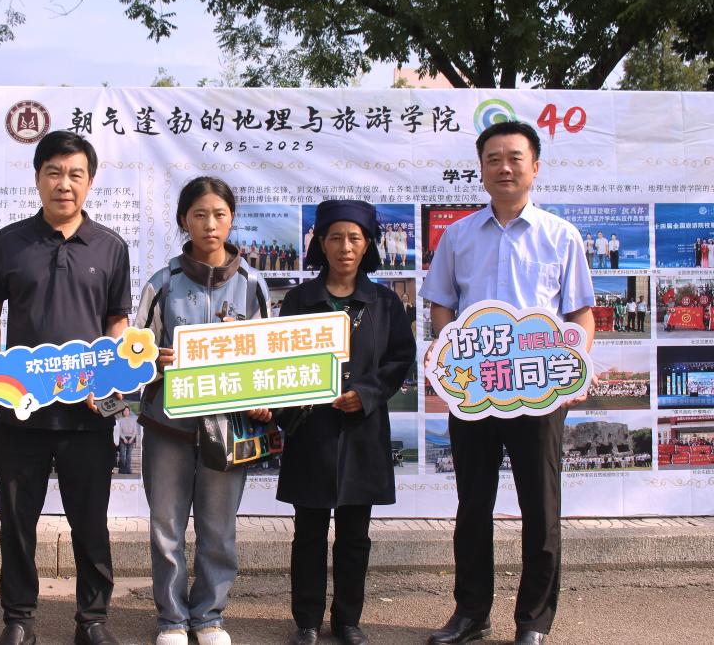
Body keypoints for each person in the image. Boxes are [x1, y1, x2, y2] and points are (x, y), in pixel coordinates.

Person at [420, 121, 595, 645]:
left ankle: (533, 622)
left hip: (539, 390)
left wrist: (574, 365)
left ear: (534, 167)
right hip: (475, 391)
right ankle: (471, 614)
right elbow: (441, 306)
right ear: (481, 169)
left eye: (515, 158)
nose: (504, 167)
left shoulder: (561, 236)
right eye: (493, 158)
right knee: (473, 506)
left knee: (540, 507)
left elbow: (581, 315)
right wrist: (453, 356)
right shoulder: (458, 236)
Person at [0, 130, 130, 645]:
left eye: (75, 174)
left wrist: (107, 376)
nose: (65, 184)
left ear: (90, 181)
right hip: (21, 411)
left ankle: (93, 621)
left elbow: (117, 320)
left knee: (91, 523)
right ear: (38, 178)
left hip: (87, 414)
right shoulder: (9, 242)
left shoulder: (110, 247)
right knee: (17, 523)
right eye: (54, 173)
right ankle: (18, 619)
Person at [135, 176, 273, 645]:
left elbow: (268, 358)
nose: (210, 224)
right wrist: (154, 361)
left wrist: (262, 399)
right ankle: (172, 620)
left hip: (230, 429)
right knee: (166, 527)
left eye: (219, 214)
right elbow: (132, 356)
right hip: (168, 427)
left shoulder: (252, 284)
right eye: (199, 215)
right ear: (183, 221)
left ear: (231, 219)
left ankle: (210, 617)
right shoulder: (162, 284)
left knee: (219, 528)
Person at [275, 200, 416, 645]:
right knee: (309, 533)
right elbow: (279, 358)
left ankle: (348, 620)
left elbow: (400, 358)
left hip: (362, 433)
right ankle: (307, 621)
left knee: (355, 535)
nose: (345, 247)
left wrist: (368, 393)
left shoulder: (384, 302)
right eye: (335, 237)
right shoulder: (300, 300)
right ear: (320, 242)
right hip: (311, 431)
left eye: (355, 238)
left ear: (368, 244)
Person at [115, 409, 137, 475]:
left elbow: (135, 430)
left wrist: (132, 438)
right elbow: (119, 430)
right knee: (122, 455)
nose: (126, 412)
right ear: (122, 412)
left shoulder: (133, 420)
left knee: (129, 455)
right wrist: (124, 438)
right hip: (123, 438)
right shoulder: (120, 420)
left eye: (127, 410)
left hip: (131, 438)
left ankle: (128, 469)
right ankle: (122, 470)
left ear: (129, 412)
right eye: (124, 411)